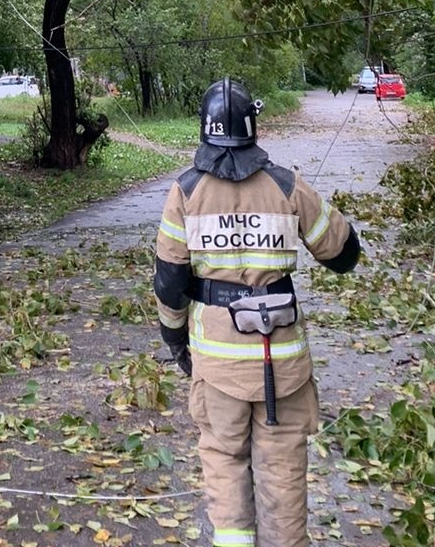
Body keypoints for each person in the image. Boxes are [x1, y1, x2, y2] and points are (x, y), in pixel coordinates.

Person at [154, 79, 361, 547]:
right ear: (253, 126)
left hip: (218, 364)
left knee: (225, 462)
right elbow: (344, 255)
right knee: (283, 470)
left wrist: (175, 341)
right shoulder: (287, 185)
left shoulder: (184, 192)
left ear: (204, 130)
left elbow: (169, 283)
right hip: (282, 364)